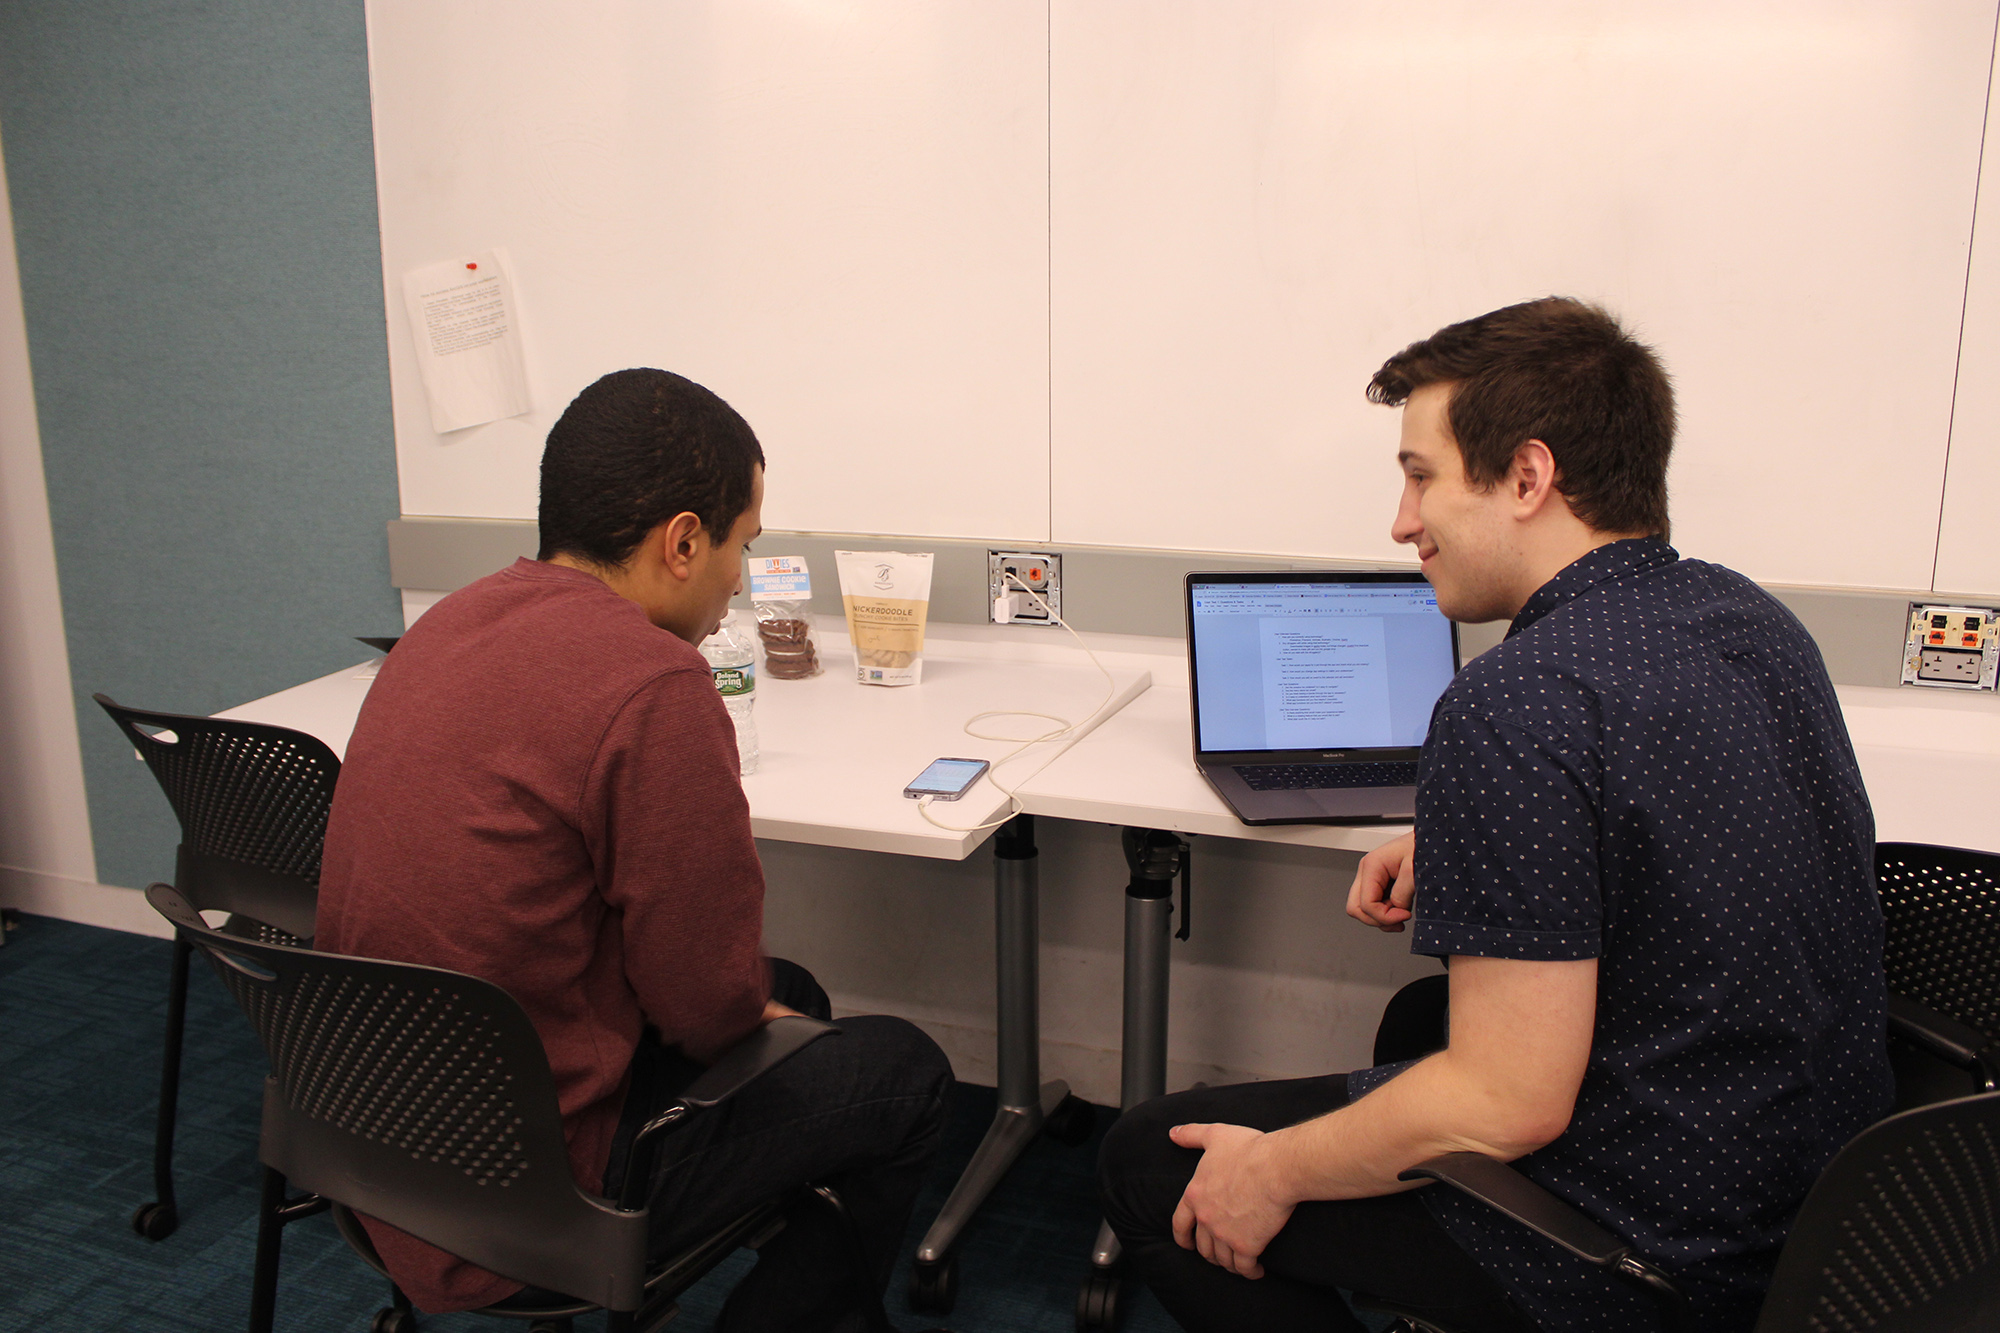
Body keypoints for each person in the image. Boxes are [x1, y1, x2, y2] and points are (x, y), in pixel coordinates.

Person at [1098, 298, 1892, 1331]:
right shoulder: (1746, 616)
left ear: (1526, 476)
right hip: (1835, 1205)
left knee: (1152, 1163)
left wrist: (1274, 1172)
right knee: (1417, 1021)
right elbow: (1695, 814)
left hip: (1656, 1252)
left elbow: (1504, 1103)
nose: (1399, 520)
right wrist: (1482, 836)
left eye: (1418, 474)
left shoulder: (1517, 698)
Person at [317, 367, 953, 1333]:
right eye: (743, 544)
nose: (741, 572)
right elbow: (706, 1001)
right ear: (684, 541)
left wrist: (752, 1005)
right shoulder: (652, 683)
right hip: (533, 1188)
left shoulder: (445, 624)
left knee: (798, 999)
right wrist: (747, 1008)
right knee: (904, 1074)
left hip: (376, 1138)